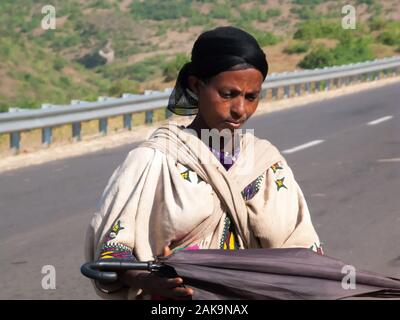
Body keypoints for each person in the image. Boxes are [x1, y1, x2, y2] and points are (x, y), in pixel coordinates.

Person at [85, 26, 323, 300]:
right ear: (196, 85)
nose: (240, 109)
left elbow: (306, 252)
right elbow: (112, 251)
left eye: (251, 97)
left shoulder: (268, 165)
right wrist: (149, 280)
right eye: (227, 94)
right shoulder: (155, 160)